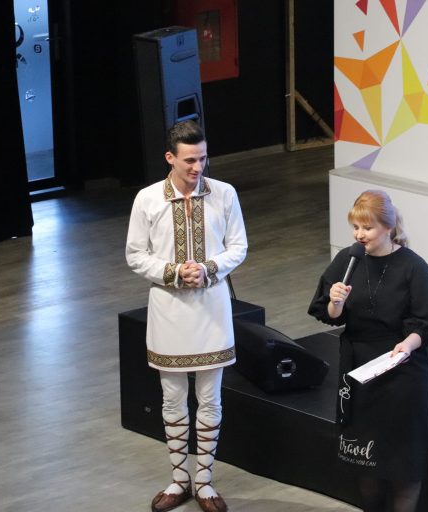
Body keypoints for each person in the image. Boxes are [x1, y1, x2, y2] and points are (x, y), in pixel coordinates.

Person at [126, 120, 247, 512]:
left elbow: (239, 246)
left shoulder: (224, 194)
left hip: (212, 308)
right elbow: (135, 254)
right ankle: (179, 480)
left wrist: (209, 268)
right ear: (170, 158)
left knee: (210, 398)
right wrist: (175, 272)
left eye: (203, 158)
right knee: (173, 399)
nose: (198, 167)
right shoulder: (147, 199)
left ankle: (205, 482)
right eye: (190, 160)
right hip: (169, 310)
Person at [308, 190, 428, 512]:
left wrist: (407, 345)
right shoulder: (348, 260)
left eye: (367, 228)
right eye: (356, 227)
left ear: (388, 226)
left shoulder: (414, 267)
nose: (360, 235)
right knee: (365, 458)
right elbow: (328, 313)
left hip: (402, 370)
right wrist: (336, 303)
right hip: (358, 367)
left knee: (403, 460)